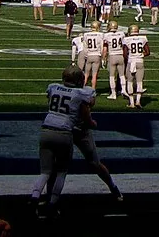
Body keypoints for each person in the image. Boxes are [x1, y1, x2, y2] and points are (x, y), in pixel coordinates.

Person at [29, 65, 122, 216]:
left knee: (94, 164)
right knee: (58, 169)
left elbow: (83, 107)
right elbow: (86, 106)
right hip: (68, 130)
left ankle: (113, 188)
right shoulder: (83, 93)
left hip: (76, 130)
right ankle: (51, 200)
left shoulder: (56, 88)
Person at [122, 24, 150, 108]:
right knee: (139, 82)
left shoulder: (126, 39)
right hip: (140, 61)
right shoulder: (143, 38)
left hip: (131, 61)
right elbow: (148, 52)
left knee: (129, 81)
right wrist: (140, 55)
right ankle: (138, 101)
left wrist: (131, 57)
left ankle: (131, 102)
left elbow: (125, 54)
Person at [82, 22, 105, 89]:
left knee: (86, 74)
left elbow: (85, 47)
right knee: (94, 75)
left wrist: (86, 55)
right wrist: (101, 56)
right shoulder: (101, 34)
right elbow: (102, 46)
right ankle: (93, 90)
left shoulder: (86, 35)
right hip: (97, 55)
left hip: (89, 55)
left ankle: (82, 88)